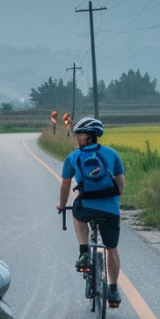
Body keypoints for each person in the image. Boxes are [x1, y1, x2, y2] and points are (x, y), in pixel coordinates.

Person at [56, 116, 126, 308]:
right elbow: (120, 183)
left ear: (88, 136)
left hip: (86, 206)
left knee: (76, 212)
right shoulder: (112, 154)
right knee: (112, 248)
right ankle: (113, 290)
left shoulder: (73, 157)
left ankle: (84, 251)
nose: (77, 138)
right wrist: (114, 201)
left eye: (79, 134)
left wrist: (61, 205)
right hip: (110, 208)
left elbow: (65, 186)